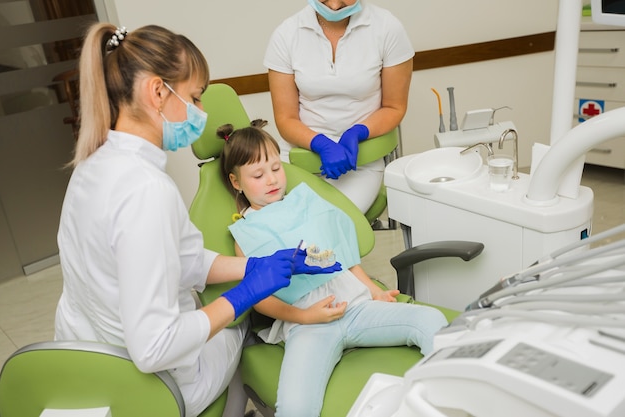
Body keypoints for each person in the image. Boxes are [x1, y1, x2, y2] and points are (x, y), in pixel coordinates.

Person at [54, 23, 337, 417]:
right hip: (148, 387)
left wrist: (257, 264)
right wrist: (244, 294)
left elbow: (184, 258)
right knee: (240, 327)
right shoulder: (146, 190)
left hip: (88, 367)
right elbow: (155, 348)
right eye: (195, 97)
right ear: (157, 92)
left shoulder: (93, 166)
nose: (201, 113)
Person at [217, 121, 448, 417]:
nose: (272, 179)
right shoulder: (245, 233)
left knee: (432, 321)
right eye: (258, 175)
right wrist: (305, 316)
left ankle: (442, 403)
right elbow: (259, 297)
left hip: (354, 306)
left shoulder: (305, 201)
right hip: (306, 325)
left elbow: (343, 251)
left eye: (276, 168)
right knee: (295, 408)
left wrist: (374, 291)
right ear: (236, 182)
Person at [263, 0, 414, 214]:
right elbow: (286, 118)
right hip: (298, 155)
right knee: (283, 223)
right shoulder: (286, 34)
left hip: (360, 161)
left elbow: (394, 107)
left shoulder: (387, 28)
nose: (334, 5)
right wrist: (319, 142)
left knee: (329, 223)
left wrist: (357, 132)